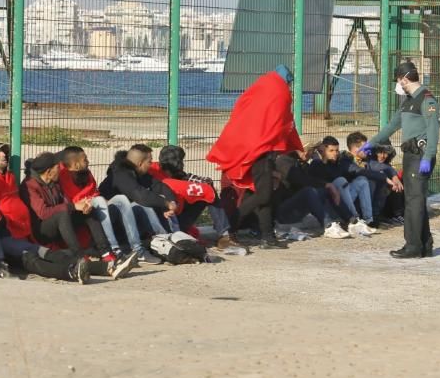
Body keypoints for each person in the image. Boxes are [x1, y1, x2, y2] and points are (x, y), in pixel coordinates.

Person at [207, 65, 303, 250]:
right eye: (289, 83)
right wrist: (292, 145)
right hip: (260, 151)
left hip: (251, 149)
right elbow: (283, 121)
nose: (290, 87)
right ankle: (230, 226)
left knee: (261, 194)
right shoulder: (279, 91)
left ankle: (268, 237)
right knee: (264, 194)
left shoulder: (263, 87)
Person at [363, 61, 439, 258]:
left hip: (420, 156)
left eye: (398, 80)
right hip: (410, 155)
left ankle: (413, 246)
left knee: (413, 202)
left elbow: (433, 130)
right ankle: (425, 244)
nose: (398, 84)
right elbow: (392, 126)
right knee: (416, 201)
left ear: (405, 79)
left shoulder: (426, 99)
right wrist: (371, 143)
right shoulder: (408, 101)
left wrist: (428, 156)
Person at [20, 151, 132, 279]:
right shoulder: (29, 186)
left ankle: (106, 253)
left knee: (89, 211)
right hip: (42, 231)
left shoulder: (54, 182)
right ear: (48, 171)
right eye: (58, 167)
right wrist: (73, 206)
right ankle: (80, 256)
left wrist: (82, 206)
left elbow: (65, 203)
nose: (60, 170)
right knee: (62, 214)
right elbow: (43, 213)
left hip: (60, 223)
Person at [58, 146, 141, 268]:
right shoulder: (63, 177)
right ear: (75, 165)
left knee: (121, 199)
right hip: (78, 214)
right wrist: (89, 200)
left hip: (95, 209)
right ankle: (113, 249)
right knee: (99, 201)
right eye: (85, 160)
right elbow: (71, 201)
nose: (88, 162)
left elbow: (94, 192)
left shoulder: (86, 174)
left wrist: (103, 200)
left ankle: (137, 248)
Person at [151, 145, 235, 249]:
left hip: (177, 215)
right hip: (164, 220)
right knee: (208, 191)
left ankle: (224, 236)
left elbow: (202, 182)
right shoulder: (151, 172)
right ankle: (224, 235)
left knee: (207, 192)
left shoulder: (177, 174)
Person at [99, 144, 176, 242]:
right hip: (111, 219)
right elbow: (140, 196)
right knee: (143, 205)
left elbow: (161, 187)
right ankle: (164, 240)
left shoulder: (138, 173)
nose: (151, 164)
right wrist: (166, 203)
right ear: (140, 163)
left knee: (159, 202)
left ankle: (173, 237)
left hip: (127, 216)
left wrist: (171, 203)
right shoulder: (121, 174)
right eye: (149, 162)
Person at [307, 137, 378, 237]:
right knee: (340, 181)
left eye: (336, 150)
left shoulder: (340, 161)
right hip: (331, 201)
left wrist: (387, 177)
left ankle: (367, 220)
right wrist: (324, 159)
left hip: (342, 199)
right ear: (323, 151)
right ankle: (354, 221)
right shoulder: (317, 164)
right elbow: (328, 177)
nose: (335, 153)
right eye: (331, 151)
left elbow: (353, 171)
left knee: (362, 181)